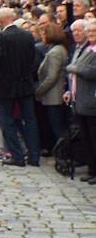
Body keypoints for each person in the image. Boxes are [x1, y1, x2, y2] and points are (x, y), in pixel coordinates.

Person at [0, 7, 42, 167]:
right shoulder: (27, 36)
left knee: (8, 120)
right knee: (31, 120)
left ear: (0, 21)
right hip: (25, 83)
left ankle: (17, 156)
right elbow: (33, 59)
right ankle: (34, 156)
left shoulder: (1, 39)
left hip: (6, 86)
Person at [66, 21, 96, 185]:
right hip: (81, 100)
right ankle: (92, 169)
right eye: (89, 30)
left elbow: (90, 71)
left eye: (94, 31)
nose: (90, 33)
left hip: (92, 100)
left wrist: (74, 68)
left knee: (93, 137)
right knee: (87, 138)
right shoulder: (87, 49)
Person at [35, 23, 69, 156]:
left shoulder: (55, 52)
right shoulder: (56, 49)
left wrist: (39, 90)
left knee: (57, 127)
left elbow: (52, 76)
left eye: (44, 33)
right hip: (52, 94)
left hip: (53, 95)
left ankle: (64, 154)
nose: (42, 36)